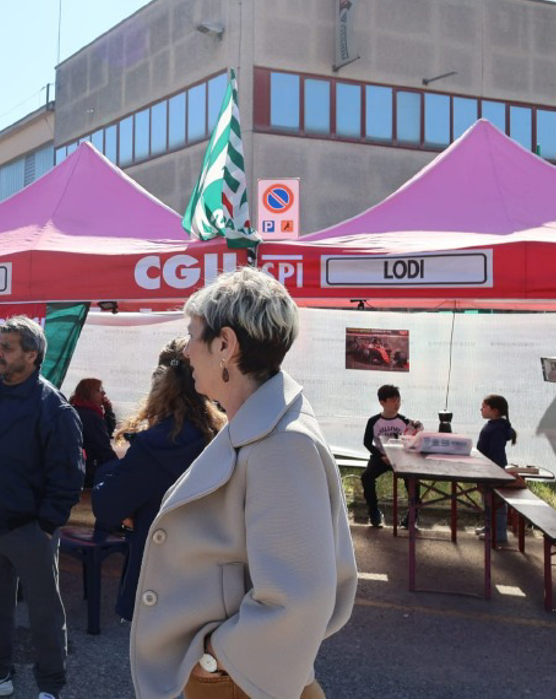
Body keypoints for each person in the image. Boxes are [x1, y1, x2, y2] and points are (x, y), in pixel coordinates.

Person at [132, 268, 357, 699]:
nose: (186, 348)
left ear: (225, 344)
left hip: (237, 680)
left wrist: (214, 658)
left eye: (192, 333)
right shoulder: (265, 427)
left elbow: (299, 597)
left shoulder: (281, 443)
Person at [0, 316, 85, 699]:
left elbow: (68, 474)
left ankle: (50, 689)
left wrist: (46, 524)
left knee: (44, 613)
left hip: (30, 531)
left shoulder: (52, 407)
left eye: (6, 348)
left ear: (32, 355)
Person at [91, 338, 225, 621]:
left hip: (158, 584)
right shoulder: (223, 434)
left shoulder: (157, 444)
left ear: (160, 383)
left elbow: (106, 507)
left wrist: (114, 472)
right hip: (214, 581)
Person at [360, 385, 422, 528]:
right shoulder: (373, 421)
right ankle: (374, 512)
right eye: (393, 401)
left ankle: (413, 514)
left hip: (401, 457)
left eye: (399, 401)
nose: (397, 404)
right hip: (381, 456)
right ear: (382, 402)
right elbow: (366, 443)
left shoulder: (406, 421)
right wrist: (381, 456)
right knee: (366, 476)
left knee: (413, 478)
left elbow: (412, 442)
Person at [476, 394, 518, 543]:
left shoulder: (498, 428)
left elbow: (495, 450)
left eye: (484, 406)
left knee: (497, 502)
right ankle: (489, 526)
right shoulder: (493, 424)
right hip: (487, 467)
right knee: (487, 500)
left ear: (495, 411)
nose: (481, 409)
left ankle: (499, 533)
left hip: (494, 469)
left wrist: (490, 468)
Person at [69, 377, 118, 488]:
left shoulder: (77, 409)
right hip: (88, 470)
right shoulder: (91, 416)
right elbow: (103, 447)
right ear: (87, 394)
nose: (104, 392)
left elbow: (105, 432)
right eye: (98, 390)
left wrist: (108, 411)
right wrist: (118, 467)